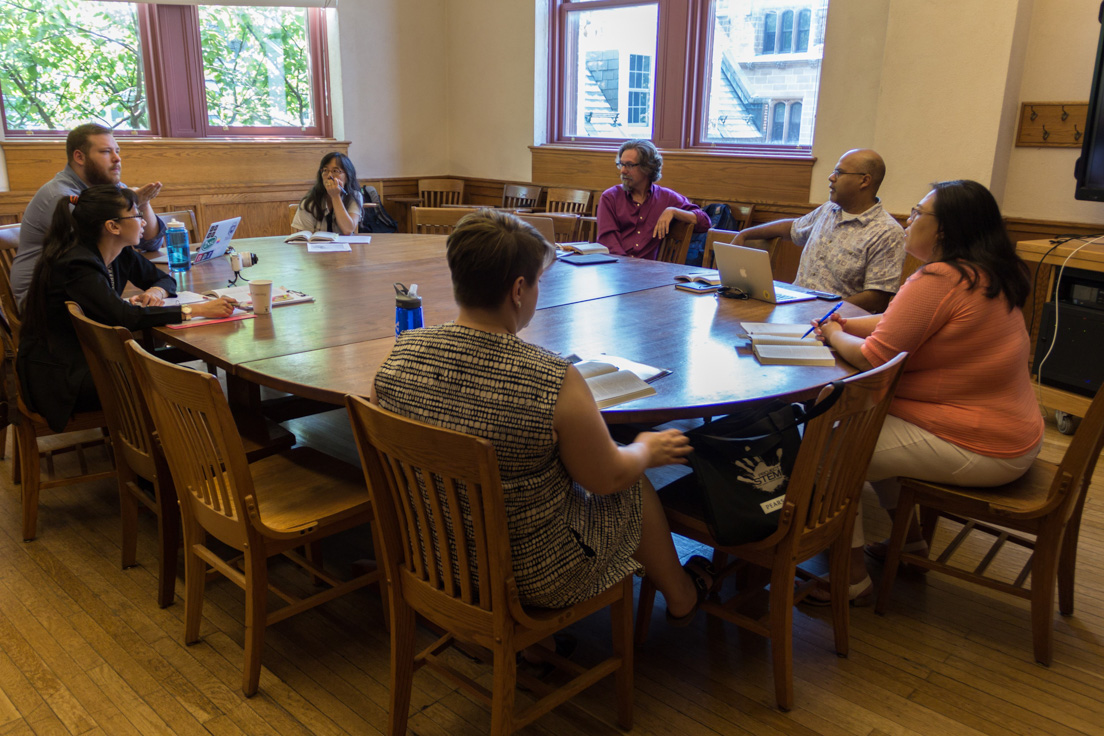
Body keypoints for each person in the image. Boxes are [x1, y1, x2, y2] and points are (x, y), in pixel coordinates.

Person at [372, 209, 713, 623]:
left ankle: (516, 646)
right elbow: (606, 478)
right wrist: (644, 449)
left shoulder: (402, 352)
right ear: (519, 289)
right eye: (538, 282)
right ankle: (681, 595)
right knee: (632, 483)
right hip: (533, 576)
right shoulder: (551, 377)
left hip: (433, 558)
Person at [807, 179, 1044, 605]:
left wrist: (831, 332)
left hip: (983, 444)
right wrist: (842, 327)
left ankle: (849, 578)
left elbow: (875, 354)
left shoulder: (939, 278)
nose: (907, 220)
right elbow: (897, 326)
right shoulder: (986, 274)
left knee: (830, 447)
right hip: (1012, 434)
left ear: (945, 229)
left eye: (917, 213)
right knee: (867, 423)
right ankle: (910, 546)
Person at [17, 185, 235, 433]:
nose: (143, 222)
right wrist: (195, 310)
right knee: (188, 384)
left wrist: (156, 291)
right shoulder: (76, 263)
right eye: (136, 215)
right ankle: (177, 462)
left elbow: (164, 279)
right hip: (62, 377)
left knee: (186, 377)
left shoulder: (117, 252)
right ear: (113, 226)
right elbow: (124, 316)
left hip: (91, 359)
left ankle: (171, 456)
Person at [11, 124, 165, 308]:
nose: (117, 159)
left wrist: (142, 202)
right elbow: (97, 246)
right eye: (106, 152)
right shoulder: (60, 196)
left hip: (88, 286)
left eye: (117, 151)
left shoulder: (112, 190)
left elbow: (151, 243)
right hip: (46, 304)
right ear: (79, 157)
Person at [732, 149, 904, 313]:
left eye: (839, 173)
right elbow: (792, 228)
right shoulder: (829, 210)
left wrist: (824, 311)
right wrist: (745, 234)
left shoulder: (887, 232)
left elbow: (877, 298)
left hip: (836, 322)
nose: (831, 177)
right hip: (794, 307)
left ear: (864, 181)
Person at [596, 139, 710, 261]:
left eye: (629, 165)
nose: (622, 170)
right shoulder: (610, 197)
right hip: (615, 268)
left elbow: (704, 223)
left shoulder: (666, 197)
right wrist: (627, 268)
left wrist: (673, 211)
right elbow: (608, 242)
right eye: (621, 164)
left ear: (647, 167)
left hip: (651, 272)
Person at [291, 152, 362, 235]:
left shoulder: (354, 196)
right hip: (316, 247)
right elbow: (304, 237)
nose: (329, 176)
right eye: (325, 170)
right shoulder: (310, 201)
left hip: (347, 247)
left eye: (335, 171)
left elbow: (348, 230)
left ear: (348, 175)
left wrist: (335, 196)